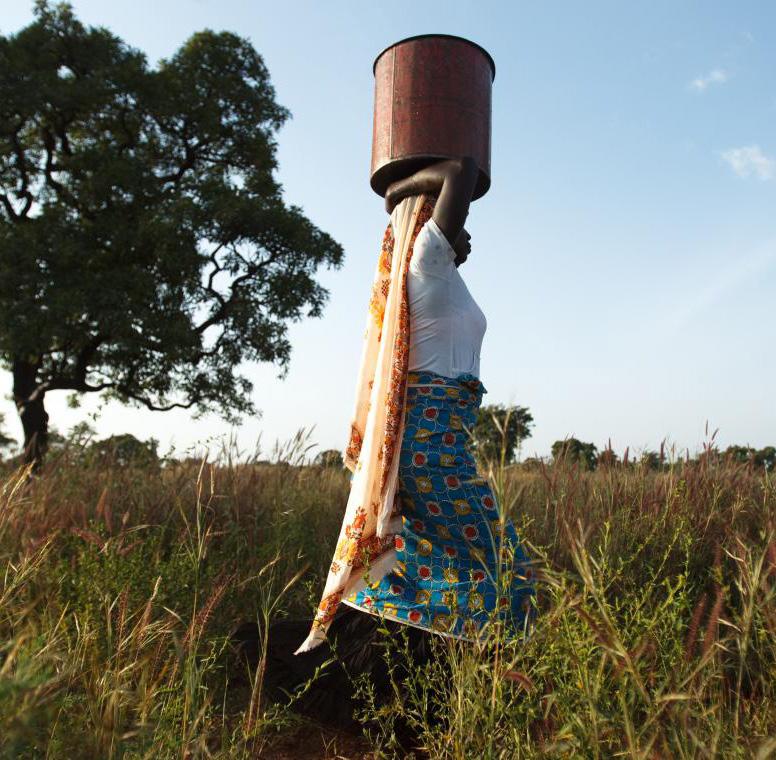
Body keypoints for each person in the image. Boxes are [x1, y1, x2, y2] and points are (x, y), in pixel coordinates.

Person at [236, 157, 535, 738]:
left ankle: (410, 690)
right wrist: (405, 190)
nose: (463, 230)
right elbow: (461, 169)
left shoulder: (440, 273)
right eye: (446, 219)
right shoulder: (425, 260)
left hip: (446, 438)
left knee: (429, 564)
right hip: (429, 445)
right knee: (500, 566)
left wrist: (406, 199)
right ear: (421, 222)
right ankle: (433, 695)